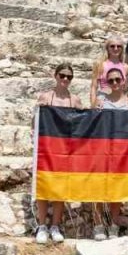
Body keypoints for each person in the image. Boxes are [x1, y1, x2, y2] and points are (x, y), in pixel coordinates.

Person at [34, 63, 83, 244]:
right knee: (43, 186)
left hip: (66, 149)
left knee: (60, 189)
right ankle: (41, 226)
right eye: (62, 75)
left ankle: (55, 225)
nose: (65, 79)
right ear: (55, 76)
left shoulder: (75, 100)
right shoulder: (45, 97)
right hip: (47, 148)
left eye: (69, 77)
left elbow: (80, 125)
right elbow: (35, 123)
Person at [93, 67, 128, 241]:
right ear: (107, 83)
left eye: (118, 80)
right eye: (111, 80)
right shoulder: (100, 101)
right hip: (102, 148)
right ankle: (98, 225)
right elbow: (92, 123)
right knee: (97, 187)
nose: (115, 83)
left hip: (122, 150)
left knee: (117, 189)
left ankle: (114, 225)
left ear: (124, 81)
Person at [90, 34, 128, 106]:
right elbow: (94, 87)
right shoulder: (100, 65)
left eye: (119, 46)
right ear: (107, 48)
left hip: (120, 101)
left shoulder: (126, 67)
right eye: (112, 46)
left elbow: (125, 88)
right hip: (103, 100)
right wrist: (93, 104)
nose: (116, 48)